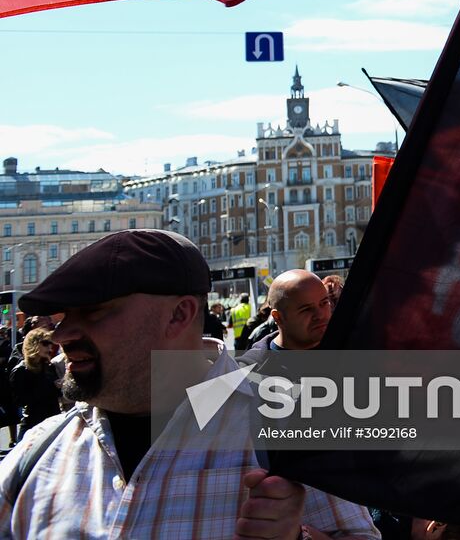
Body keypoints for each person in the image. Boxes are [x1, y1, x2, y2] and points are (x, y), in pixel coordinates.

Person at [0, 230, 381, 540]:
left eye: (94, 311)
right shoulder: (39, 450)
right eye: (64, 316)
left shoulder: (283, 426)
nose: (63, 334)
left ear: (179, 315)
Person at [246, 270, 331, 352]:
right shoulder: (255, 365)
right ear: (277, 317)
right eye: (306, 309)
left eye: (324, 303)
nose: (320, 315)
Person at [8, 329, 60, 440]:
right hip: (32, 423)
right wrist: (51, 387)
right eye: (45, 343)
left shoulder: (49, 366)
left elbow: (57, 394)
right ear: (34, 344)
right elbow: (20, 400)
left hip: (53, 421)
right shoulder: (20, 370)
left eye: (50, 343)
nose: (49, 347)